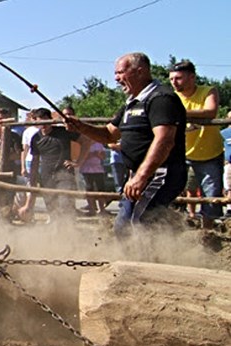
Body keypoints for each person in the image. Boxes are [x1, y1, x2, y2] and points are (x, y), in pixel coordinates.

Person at [65, 52, 187, 236]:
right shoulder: (131, 103)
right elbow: (108, 135)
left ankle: (153, 260)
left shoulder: (161, 98)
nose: (116, 78)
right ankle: (135, 259)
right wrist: (81, 126)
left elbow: (164, 140)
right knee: (123, 226)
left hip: (162, 173)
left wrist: (141, 177)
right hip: (139, 175)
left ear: (140, 71)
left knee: (140, 222)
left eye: (120, 72)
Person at [169, 60, 224, 229]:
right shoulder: (172, 97)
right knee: (170, 190)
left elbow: (210, 111)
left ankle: (207, 232)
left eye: (178, 78)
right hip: (180, 153)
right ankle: (172, 228)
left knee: (211, 194)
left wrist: (179, 113)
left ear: (192, 77)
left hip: (209, 153)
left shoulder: (208, 91)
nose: (174, 82)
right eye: (171, 79)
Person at [18, 107, 90, 221]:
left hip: (64, 174)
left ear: (51, 120)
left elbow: (86, 141)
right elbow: (35, 161)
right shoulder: (35, 138)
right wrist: (32, 180)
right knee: (52, 207)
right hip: (46, 176)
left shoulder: (63, 132)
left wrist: (78, 162)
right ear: (36, 122)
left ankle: (71, 232)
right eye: (40, 121)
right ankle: (56, 234)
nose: (44, 124)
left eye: (46, 120)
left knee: (66, 204)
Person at [79, 140, 108, 215]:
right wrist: (91, 154)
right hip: (86, 169)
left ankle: (102, 209)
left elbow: (104, 156)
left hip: (98, 169)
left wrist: (100, 155)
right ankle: (92, 209)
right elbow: (80, 156)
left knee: (100, 189)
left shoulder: (99, 144)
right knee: (89, 188)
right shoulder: (84, 143)